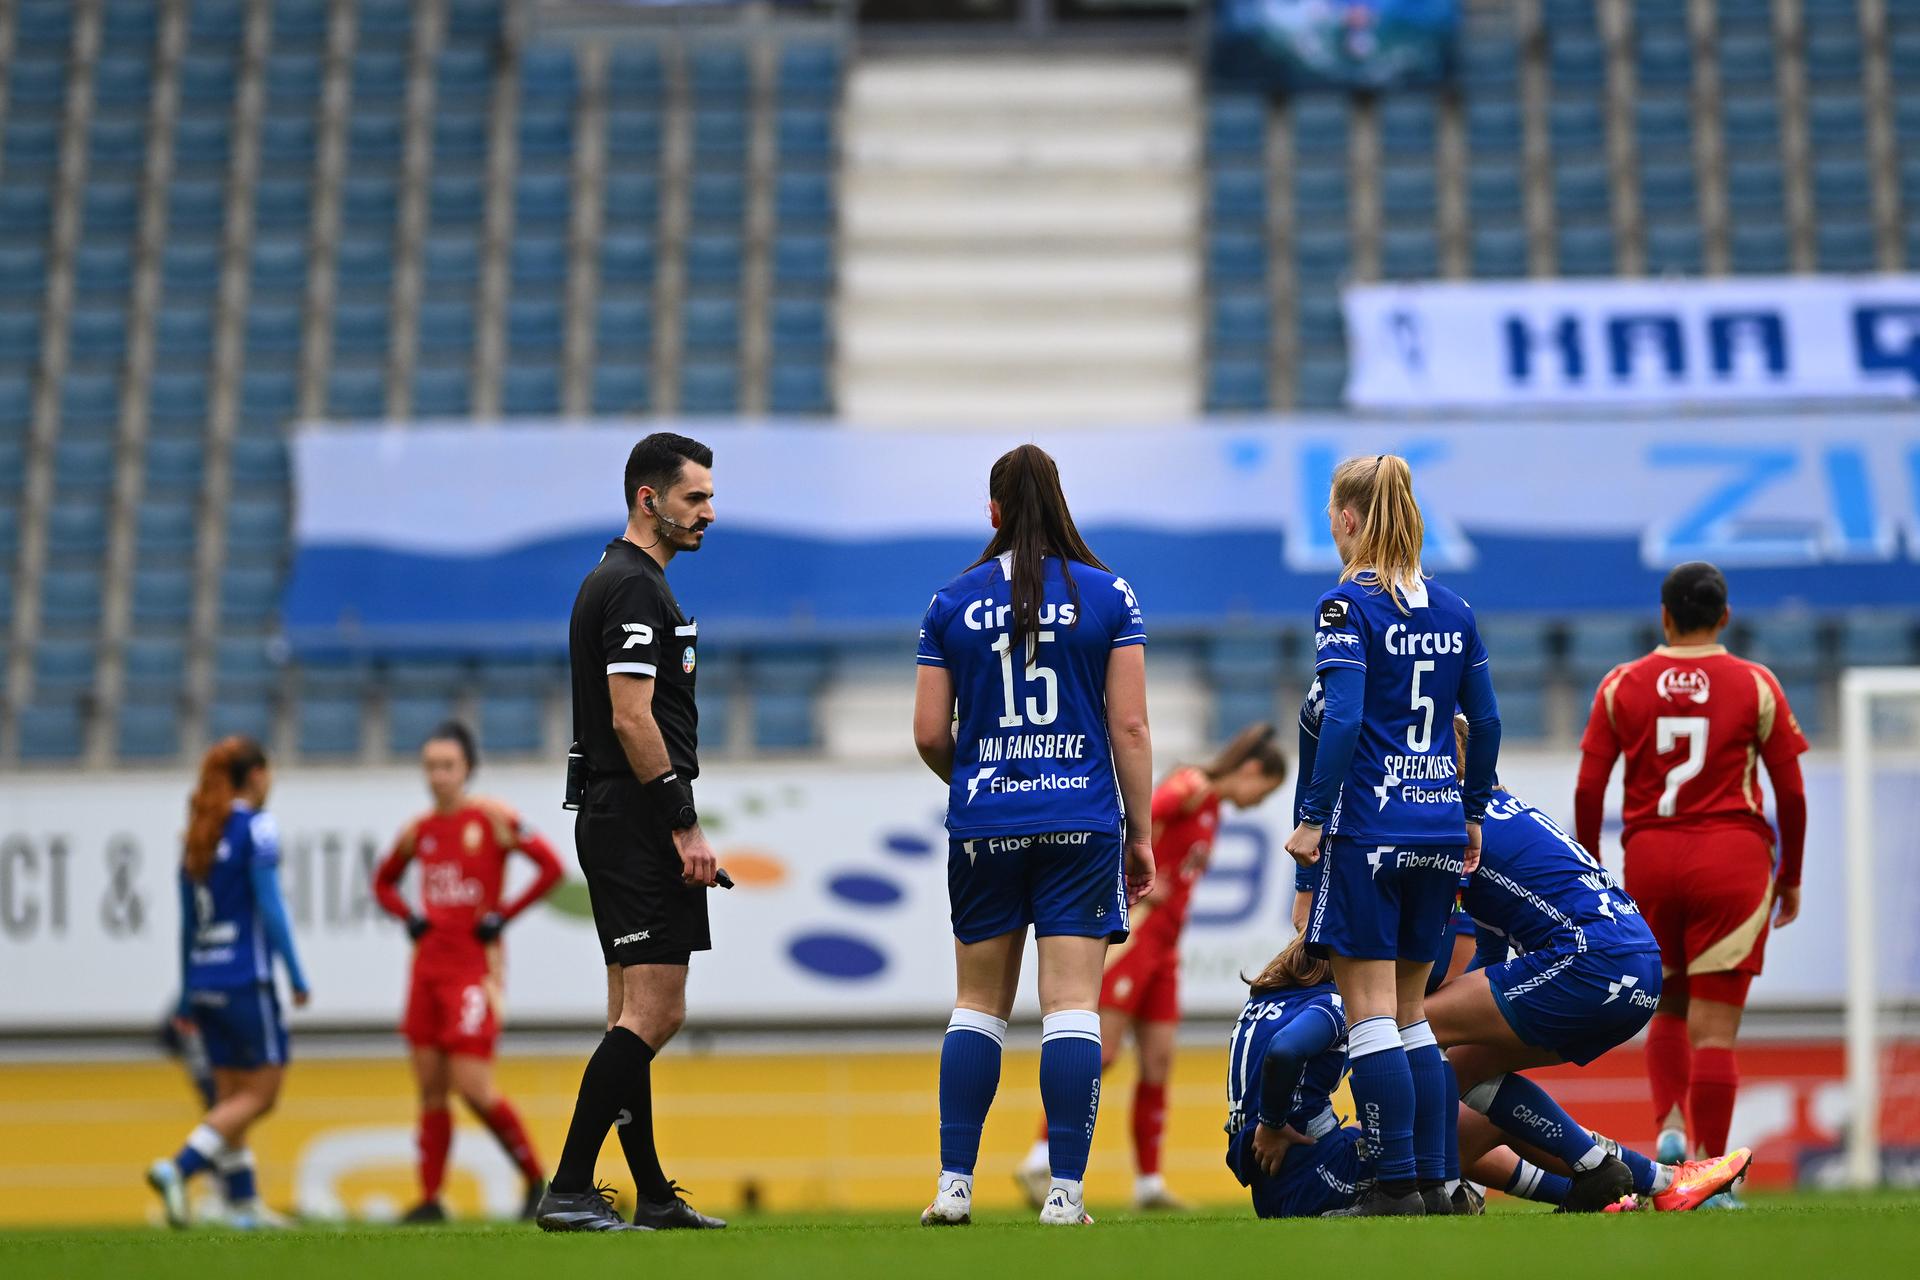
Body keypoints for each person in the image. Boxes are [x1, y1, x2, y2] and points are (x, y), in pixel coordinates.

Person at [913, 443, 1155, 1228]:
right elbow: (1130, 725)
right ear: (1060, 505)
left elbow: (926, 732)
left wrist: (981, 779)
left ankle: (954, 1188)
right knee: (1073, 1008)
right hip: (1082, 823)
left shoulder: (949, 602)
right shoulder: (1109, 594)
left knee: (978, 1006)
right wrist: (1141, 833)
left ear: (993, 513)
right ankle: (1065, 1194)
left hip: (985, 821)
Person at [1282, 453, 1500, 1216]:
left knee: (1371, 1010)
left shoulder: (1346, 607)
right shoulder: (1455, 609)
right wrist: (1471, 811)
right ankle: (1439, 1181)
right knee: (1412, 1013)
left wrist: (1311, 819)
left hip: (1371, 830)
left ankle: (1395, 1184)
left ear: (1347, 519)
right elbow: (1489, 719)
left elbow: (1340, 717)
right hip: (1439, 827)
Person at [1425, 718, 1753, 1212]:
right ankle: (1663, 1182)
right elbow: (1488, 955)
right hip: (1638, 963)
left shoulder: (1449, 825)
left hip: (1590, 960)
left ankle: (1429, 1182)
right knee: (1464, 1067)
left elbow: (1431, 958)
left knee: (1404, 1025)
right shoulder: (1504, 812)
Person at [534, 432, 726, 1233]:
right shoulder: (634, 588)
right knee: (656, 1012)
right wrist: (683, 822)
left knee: (629, 1014)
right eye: (695, 499)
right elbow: (630, 714)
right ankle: (571, 1186)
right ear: (649, 500)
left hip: (613, 812)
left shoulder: (613, 580)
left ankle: (648, 1193)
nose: (709, 514)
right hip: (637, 817)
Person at [1227, 937, 1751, 1218]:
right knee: (1474, 1105)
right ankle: (1649, 1180)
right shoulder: (1333, 1001)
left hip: (1278, 1183)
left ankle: (1598, 1186)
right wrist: (1273, 1124)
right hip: (1311, 1179)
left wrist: (1271, 1127)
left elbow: (1271, 1069)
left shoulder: (1263, 1002)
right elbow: (1285, 1053)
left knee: (1455, 1106)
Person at [1574, 561, 1808, 1187]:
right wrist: (1790, 877)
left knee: (1668, 1008)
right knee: (1716, 1032)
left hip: (1651, 858)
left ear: (1665, 615)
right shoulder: (1756, 683)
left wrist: (1589, 867)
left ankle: (1669, 1126)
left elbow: (1590, 787)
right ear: (1725, 616)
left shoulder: (1621, 684)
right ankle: (1714, 1172)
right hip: (1731, 861)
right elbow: (1791, 792)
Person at [1017, 723, 1288, 1211]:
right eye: (1262, 791)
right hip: (1138, 937)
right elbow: (1130, 821)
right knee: (1103, 1051)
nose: (1257, 802)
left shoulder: (1210, 808)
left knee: (1159, 1061)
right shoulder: (1189, 787)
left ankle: (1148, 1184)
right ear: (1251, 771)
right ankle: (1041, 1158)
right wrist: (1128, 878)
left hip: (1166, 950)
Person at [373, 720, 566, 1222]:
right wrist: (408, 917)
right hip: (427, 972)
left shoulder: (495, 818)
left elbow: (550, 868)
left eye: (447, 766)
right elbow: (383, 882)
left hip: (474, 972)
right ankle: (432, 1199)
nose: (438, 776)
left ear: (468, 770)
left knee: (473, 1087)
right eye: (431, 766)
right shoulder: (418, 830)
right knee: (431, 1089)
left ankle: (535, 1179)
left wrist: (503, 914)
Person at [146, 737, 309, 1230]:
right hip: (246, 980)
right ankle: (179, 1167)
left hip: (205, 983)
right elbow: (271, 909)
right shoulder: (256, 827)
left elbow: (186, 928)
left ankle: (243, 1205)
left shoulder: (198, 832)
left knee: (231, 1097)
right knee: (262, 1092)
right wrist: (297, 975)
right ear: (256, 774)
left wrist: (189, 988)